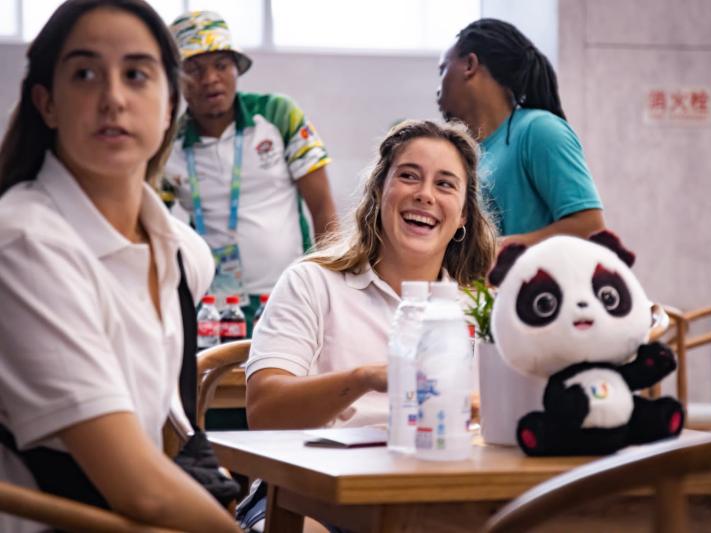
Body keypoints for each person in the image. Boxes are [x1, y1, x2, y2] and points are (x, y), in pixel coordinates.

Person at [0, 1, 239, 531]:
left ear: (168, 104)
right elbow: (142, 490)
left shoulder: (182, 252)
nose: (112, 98)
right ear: (47, 104)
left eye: (136, 75)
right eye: (84, 74)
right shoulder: (22, 241)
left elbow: (162, 439)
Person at [245, 119, 496, 430]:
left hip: (451, 473)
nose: (425, 195)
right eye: (408, 176)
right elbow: (263, 411)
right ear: (379, 190)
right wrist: (365, 379)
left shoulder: (483, 310)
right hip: (337, 475)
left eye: (445, 184)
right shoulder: (312, 283)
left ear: (463, 216)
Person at [163, 10, 338, 331]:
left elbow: (322, 206)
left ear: (236, 69)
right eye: (194, 68)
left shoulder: (277, 113)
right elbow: (149, 226)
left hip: (289, 295)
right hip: (212, 306)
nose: (210, 78)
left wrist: (333, 288)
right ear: (176, 79)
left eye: (221, 65)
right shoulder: (165, 145)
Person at [437, 18, 605, 248]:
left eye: (443, 70)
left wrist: (496, 250)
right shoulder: (467, 153)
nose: (438, 89)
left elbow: (590, 228)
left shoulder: (540, 130)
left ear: (470, 65)